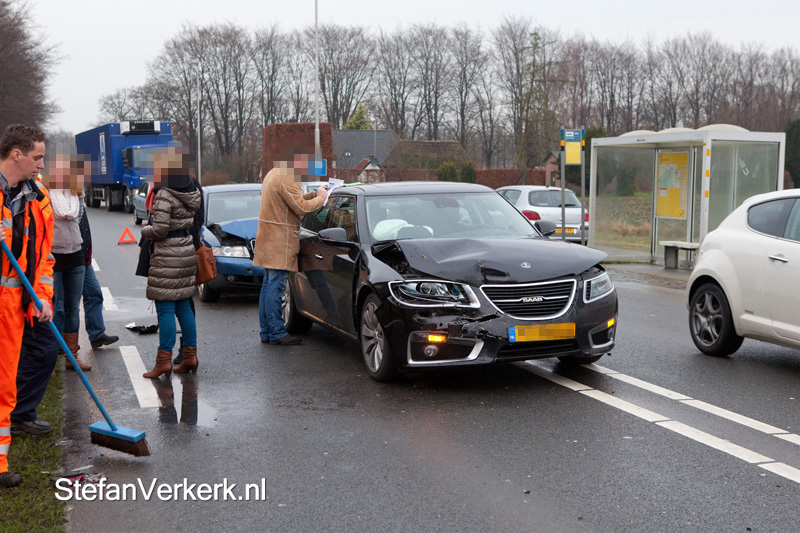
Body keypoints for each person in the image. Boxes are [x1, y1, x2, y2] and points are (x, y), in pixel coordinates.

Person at [0, 124, 49, 488]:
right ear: (16, 155)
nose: (42, 165)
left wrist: (42, 296)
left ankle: (0, 464)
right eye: (38, 157)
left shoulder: (36, 198)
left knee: (5, 386)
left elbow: (44, 257)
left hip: (15, 307)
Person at [253, 145, 327, 345]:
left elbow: (291, 201)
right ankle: (277, 332)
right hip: (280, 241)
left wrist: (314, 194)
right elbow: (301, 208)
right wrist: (321, 199)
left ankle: (266, 332)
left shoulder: (275, 173)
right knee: (276, 287)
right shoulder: (288, 177)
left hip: (268, 239)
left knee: (268, 286)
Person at [141, 148, 201, 379]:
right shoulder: (191, 190)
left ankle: (164, 360)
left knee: (165, 309)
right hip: (186, 249)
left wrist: (145, 230)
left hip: (168, 253)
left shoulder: (165, 193)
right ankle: (190, 356)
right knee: (184, 306)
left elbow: (160, 229)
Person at [48, 154, 91, 371]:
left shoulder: (77, 193)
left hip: (75, 256)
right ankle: (50, 359)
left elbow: (79, 217)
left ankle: (71, 358)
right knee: (56, 308)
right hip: (53, 257)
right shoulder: (45, 193)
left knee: (73, 309)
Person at [77, 204, 119, 349]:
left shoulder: (78, 199)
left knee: (94, 293)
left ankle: (96, 335)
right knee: (68, 304)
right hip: (72, 257)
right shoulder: (63, 199)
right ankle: (66, 345)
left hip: (84, 257)